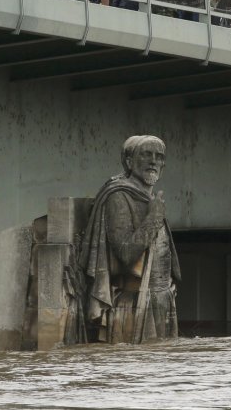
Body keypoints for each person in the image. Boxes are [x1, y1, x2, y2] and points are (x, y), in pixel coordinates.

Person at [77, 135, 180, 344]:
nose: (153, 161)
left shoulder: (151, 199)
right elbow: (125, 253)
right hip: (135, 303)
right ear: (129, 161)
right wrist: (153, 218)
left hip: (162, 299)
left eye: (159, 157)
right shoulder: (119, 196)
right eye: (146, 155)